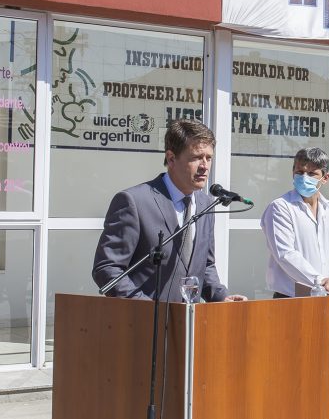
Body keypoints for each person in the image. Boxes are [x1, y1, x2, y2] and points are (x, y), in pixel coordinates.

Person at [260, 146, 329, 419]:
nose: (303, 177)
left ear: (325, 178)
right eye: (299, 171)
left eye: (311, 173)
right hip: (293, 302)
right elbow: (286, 255)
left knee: (326, 377)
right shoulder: (279, 208)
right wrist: (320, 279)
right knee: (290, 379)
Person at [93, 119, 247, 304]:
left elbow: (204, 266)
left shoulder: (206, 204)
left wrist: (221, 297)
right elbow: (108, 269)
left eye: (209, 157)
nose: (205, 166)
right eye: (196, 157)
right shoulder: (134, 202)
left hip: (190, 323)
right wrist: (147, 308)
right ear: (171, 158)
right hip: (146, 325)